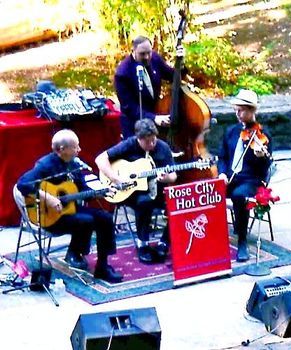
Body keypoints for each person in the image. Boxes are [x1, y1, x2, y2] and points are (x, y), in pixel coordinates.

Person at [16, 129, 123, 283]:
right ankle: (74, 252)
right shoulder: (45, 165)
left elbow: (82, 188)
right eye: (75, 147)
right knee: (86, 220)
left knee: (105, 218)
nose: (79, 150)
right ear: (62, 150)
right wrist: (49, 198)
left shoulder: (74, 164)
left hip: (70, 209)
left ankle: (102, 266)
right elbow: (22, 184)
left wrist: (101, 192)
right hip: (50, 216)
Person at [95, 119, 177, 264]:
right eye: (147, 142)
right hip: (131, 192)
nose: (151, 144)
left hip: (157, 190)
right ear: (138, 139)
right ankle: (142, 244)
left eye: (153, 140)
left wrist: (165, 178)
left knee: (179, 203)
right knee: (144, 202)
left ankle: (164, 243)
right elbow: (100, 159)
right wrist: (116, 179)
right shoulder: (129, 145)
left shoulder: (163, 147)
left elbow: (173, 175)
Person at [217, 89, 272, 262]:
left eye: (241, 110)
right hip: (231, 178)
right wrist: (222, 173)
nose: (237, 114)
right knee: (208, 191)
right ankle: (210, 238)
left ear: (251, 111)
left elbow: (265, 167)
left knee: (239, 196)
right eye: (236, 110)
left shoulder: (263, 135)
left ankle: (242, 241)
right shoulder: (232, 132)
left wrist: (261, 157)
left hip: (251, 180)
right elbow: (223, 157)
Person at [114, 35, 185, 138]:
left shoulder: (154, 58)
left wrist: (180, 63)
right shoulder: (122, 73)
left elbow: (172, 76)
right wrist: (154, 118)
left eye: (149, 53)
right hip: (134, 126)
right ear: (133, 51)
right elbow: (130, 108)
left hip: (155, 122)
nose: (147, 57)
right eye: (142, 54)